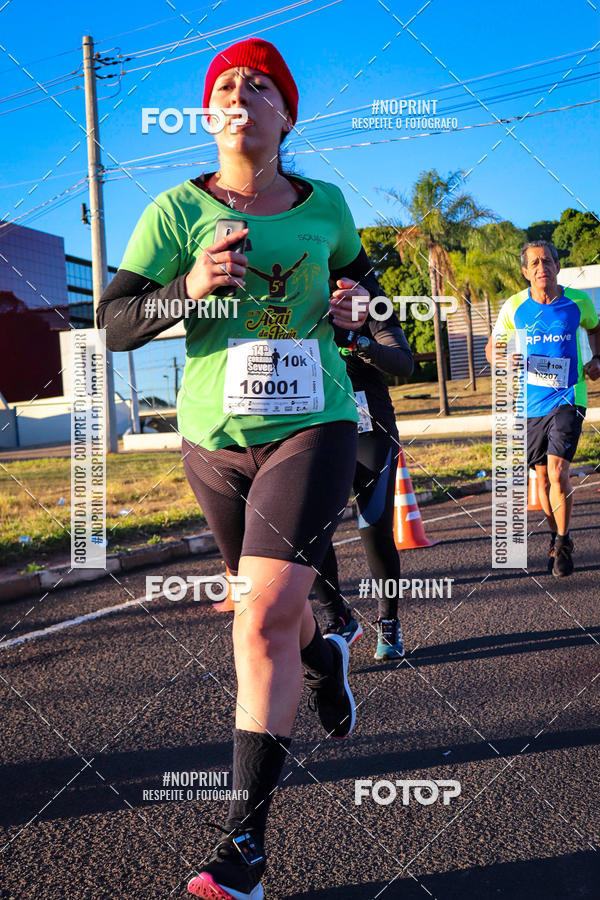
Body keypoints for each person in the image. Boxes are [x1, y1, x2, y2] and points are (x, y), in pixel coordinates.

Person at [97, 37, 381, 900]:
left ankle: (243, 851)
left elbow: (370, 303)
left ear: (285, 115)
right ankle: (328, 655)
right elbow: (112, 324)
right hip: (213, 441)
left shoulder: (326, 204)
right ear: (208, 113)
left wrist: (360, 307)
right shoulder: (175, 210)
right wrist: (185, 285)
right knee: (274, 614)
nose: (237, 94)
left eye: (258, 85)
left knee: (255, 621)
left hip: (314, 425)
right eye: (223, 85)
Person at [485, 240, 600, 577]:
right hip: (530, 403)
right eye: (534, 263)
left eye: (547, 261)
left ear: (557, 266)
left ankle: (564, 542)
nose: (541, 268)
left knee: (558, 471)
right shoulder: (514, 306)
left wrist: (598, 358)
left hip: (568, 396)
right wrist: (504, 358)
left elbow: (595, 328)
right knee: (542, 481)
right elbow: (493, 349)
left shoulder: (577, 301)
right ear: (525, 271)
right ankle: (555, 534)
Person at [312, 314, 414, 659]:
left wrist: (359, 340)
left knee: (375, 529)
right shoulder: (291, 301)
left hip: (370, 433)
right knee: (307, 532)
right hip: (315, 435)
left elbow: (404, 363)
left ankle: (388, 621)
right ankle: (336, 617)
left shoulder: (366, 302)